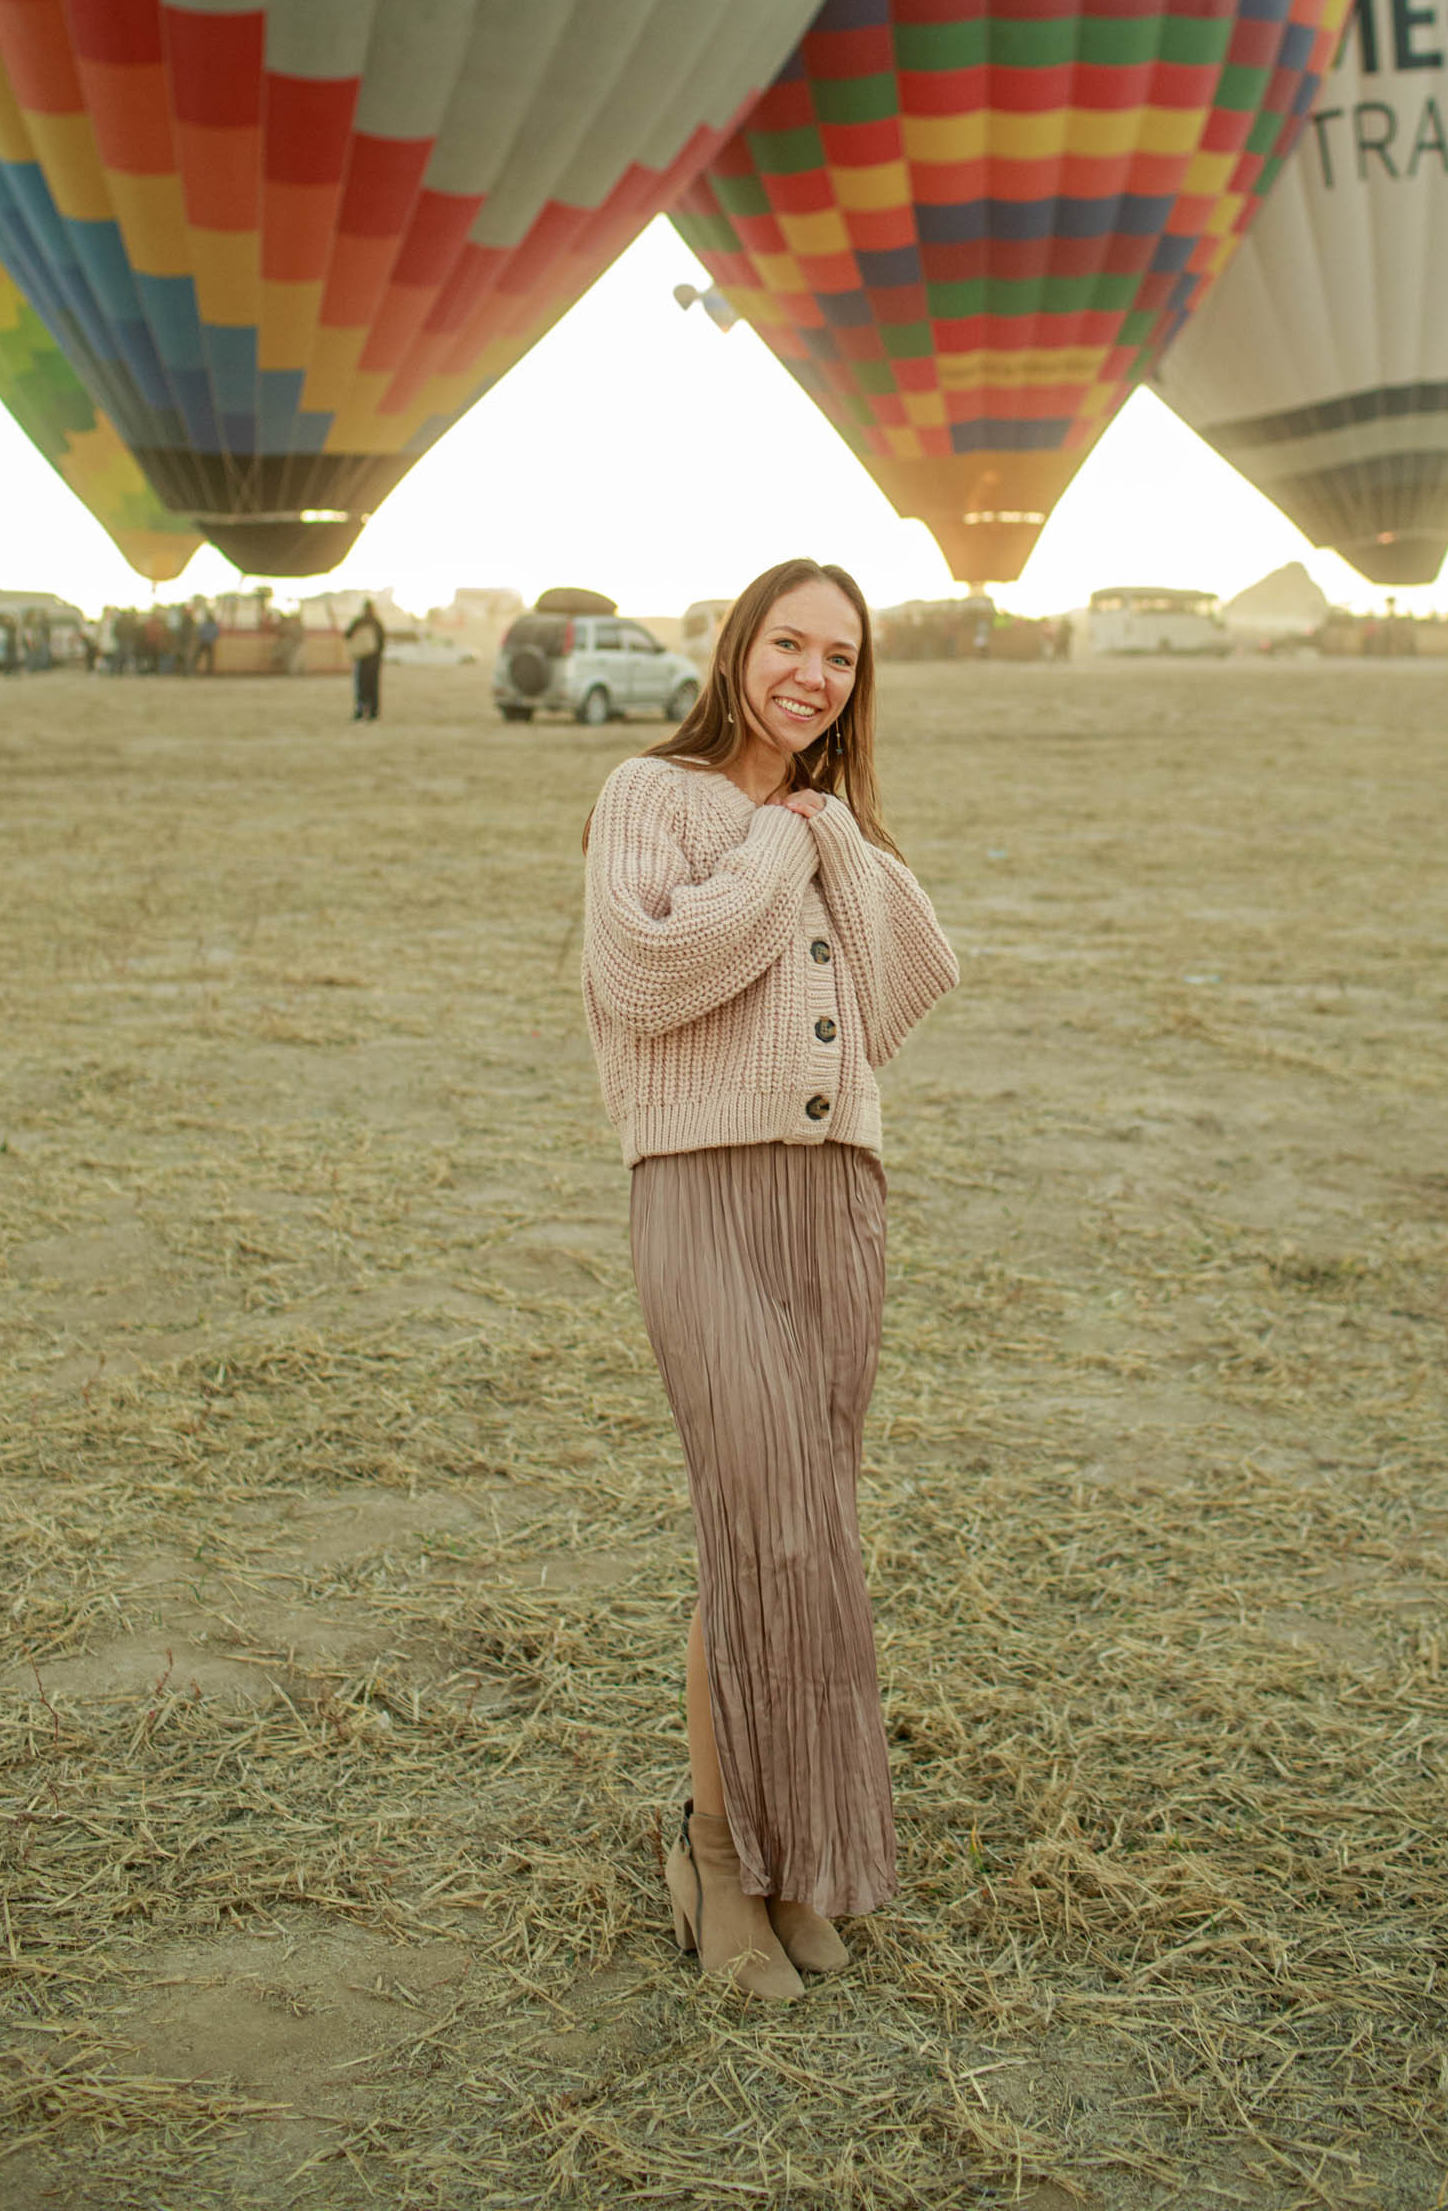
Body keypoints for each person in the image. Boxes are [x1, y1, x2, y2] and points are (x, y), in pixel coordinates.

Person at [581, 558, 958, 2001]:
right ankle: (721, 1856)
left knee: (811, 1535)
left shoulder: (833, 823)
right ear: (739, 647)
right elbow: (647, 976)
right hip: (700, 1186)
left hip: (834, 1198)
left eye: (843, 661)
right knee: (759, 1524)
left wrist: (836, 841)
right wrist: (778, 851)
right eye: (789, 644)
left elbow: (909, 982)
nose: (813, 676)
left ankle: (802, 1857)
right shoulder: (650, 797)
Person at [345, 599, 385, 721]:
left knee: (361, 687)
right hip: (374, 661)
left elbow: (347, 635)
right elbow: (382, 642)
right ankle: (373, 712)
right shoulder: (376, 622)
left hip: (362, 660)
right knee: (373, 686)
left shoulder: (359, 621)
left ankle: (361, 711)